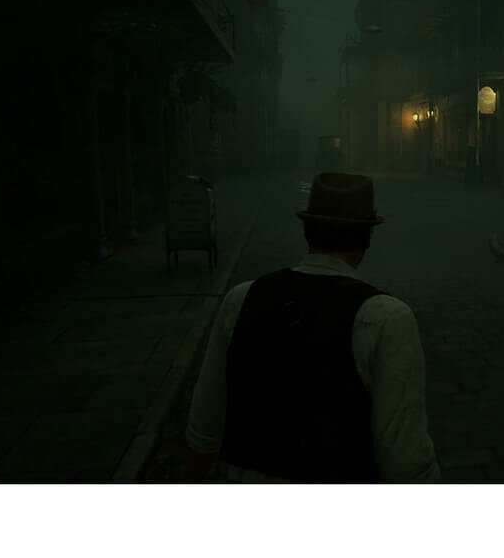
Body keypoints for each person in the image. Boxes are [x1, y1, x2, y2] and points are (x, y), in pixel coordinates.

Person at [184, 172, 440, 482]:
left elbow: (203, 430)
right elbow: (404, 460)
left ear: (308, 231)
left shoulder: (240, 300)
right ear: (367, 238)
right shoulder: (387, 320)